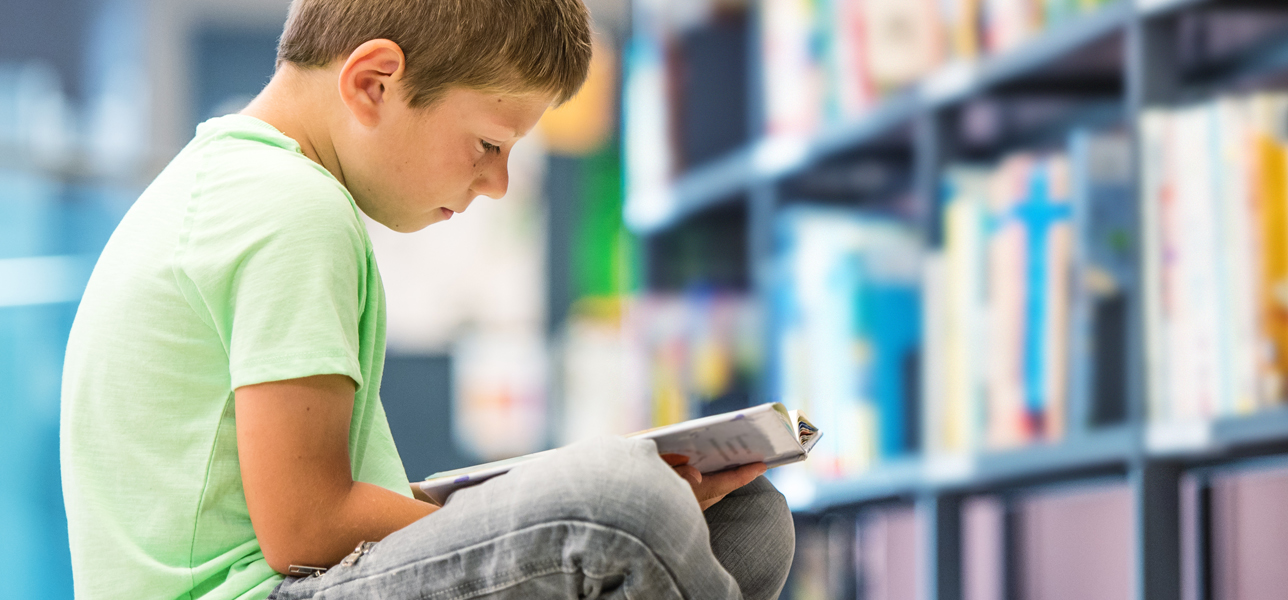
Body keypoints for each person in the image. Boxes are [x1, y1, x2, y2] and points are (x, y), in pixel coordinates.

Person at [58, 1, 795, 598]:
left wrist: (530, 501)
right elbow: (307, 528)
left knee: (744, 519)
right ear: (373, 83)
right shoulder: (290, 209)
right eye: (488, 145)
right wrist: (564, 500)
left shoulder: (233, 184)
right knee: (629, 509)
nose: (498, 183)